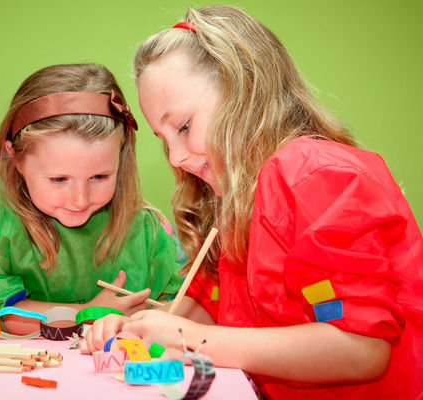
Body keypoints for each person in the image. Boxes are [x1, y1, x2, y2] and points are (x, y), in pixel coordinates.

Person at [81, 6, 423, 399]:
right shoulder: (234, 195)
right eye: (164, 139)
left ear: (243, 89)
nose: (175, 157)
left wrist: (190, 337)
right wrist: (141, 327)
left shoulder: (317, 175)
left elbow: (361, 350)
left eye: (184, 126)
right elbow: (211, 308)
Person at [0, 63, 182, 335]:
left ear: (121, 158)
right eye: (59, 179)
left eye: (100, 177)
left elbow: (173, 310)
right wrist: (87, 314)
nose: (80, 200)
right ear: (16, 158)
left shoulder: (143, 231)